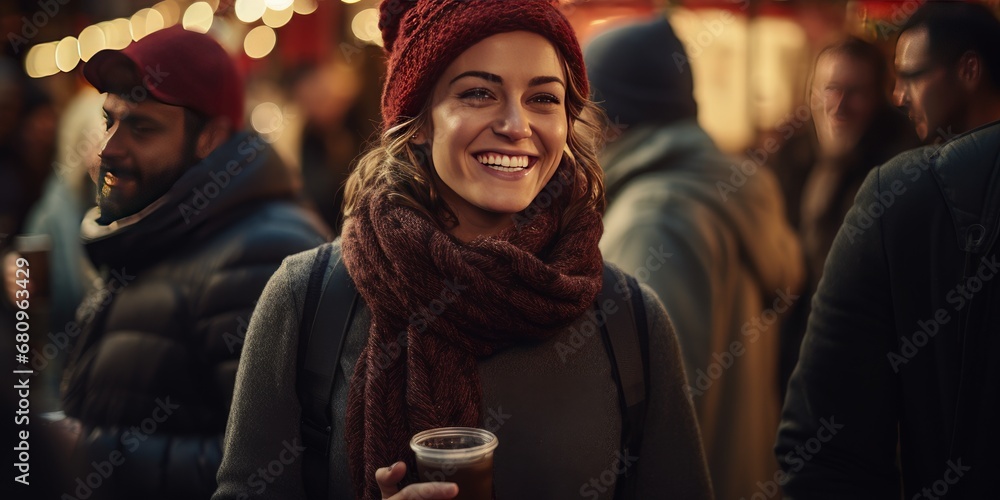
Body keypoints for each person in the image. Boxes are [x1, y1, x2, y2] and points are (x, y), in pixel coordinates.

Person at [214, 1, 713, 499]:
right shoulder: (308, 300)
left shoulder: (630, 320)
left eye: (544, 99)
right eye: (478, 93)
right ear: (421, 120)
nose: (517, 125)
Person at [55, 26, 329, 500]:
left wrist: (89, 456)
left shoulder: (259, 253)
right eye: (109, 121)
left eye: (141, 127)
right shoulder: (158, 227)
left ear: (212, 138)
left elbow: (271, 469)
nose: (107, 150)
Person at [776, 3, 1000, 498]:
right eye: (827, 91)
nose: (901, 96)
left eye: (912, 77)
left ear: (969, 72)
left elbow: (825, 447)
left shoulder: (898, 189)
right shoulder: (794, 168)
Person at [586, 16, 803, 500]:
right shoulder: (723, 190)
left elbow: (648, 423)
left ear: (612, 120)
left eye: (581, 109)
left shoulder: (655, 219)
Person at [779, 36, 920, 393]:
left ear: (880, 99)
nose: (838, 105)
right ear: (811, 94)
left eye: (855, 92)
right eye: (830, 89)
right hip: (794, 361)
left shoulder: (900, 175)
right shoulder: (787, 161)